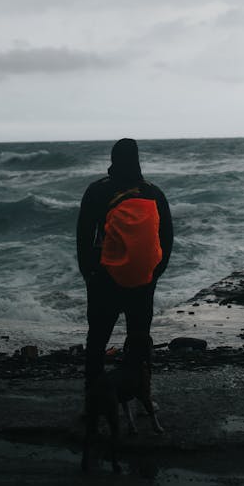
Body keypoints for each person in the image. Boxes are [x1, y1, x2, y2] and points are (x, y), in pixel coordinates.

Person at [77, 138, 173, 388]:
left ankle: (93, 398)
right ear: (137, 159)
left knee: (97, 338)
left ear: (113, 159)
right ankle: (140, 394)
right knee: (139, 338)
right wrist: (155, 271)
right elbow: (167, 236)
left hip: (104, 275)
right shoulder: (153, 191)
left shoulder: (97, 190)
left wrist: (88, 271)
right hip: (142, 277)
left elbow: (84, 234)